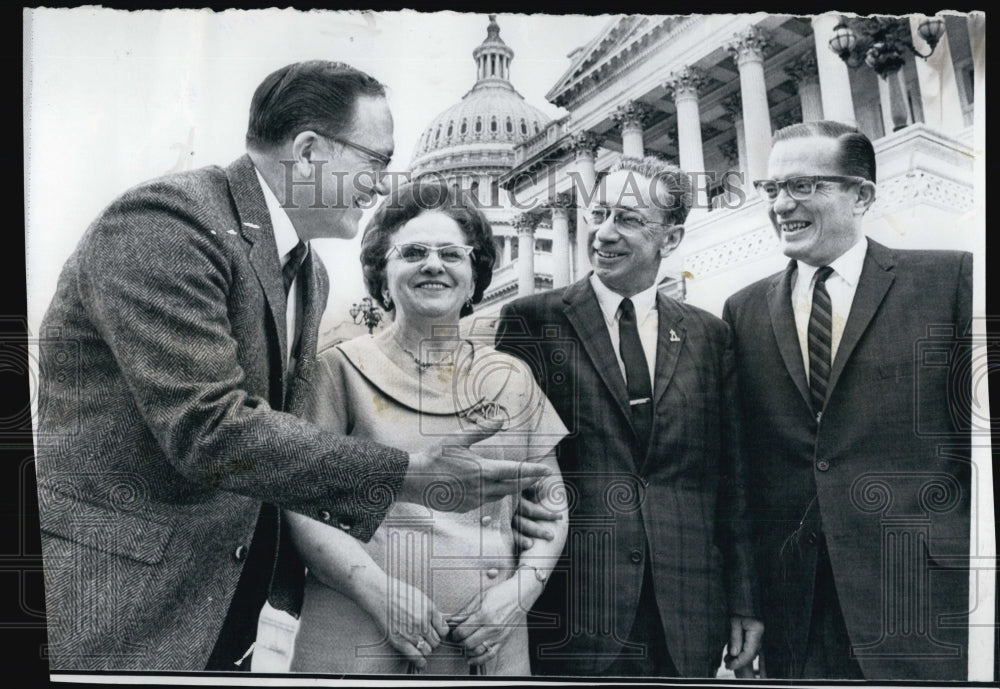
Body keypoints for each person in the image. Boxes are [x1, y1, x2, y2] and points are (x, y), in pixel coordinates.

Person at [33, 61, 549, 672]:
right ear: (308, 152)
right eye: (376, 161)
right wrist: (410, 473)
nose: (382, 185)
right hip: (120, 599)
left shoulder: (309, 271)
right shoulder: (168, 222)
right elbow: (210, 427)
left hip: (223, 606)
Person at [285, 180, 568, 675]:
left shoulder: (513, 377)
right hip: (359, 637)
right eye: (413, 252)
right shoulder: (337, 370)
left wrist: (519, 595)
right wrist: (381, 596)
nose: (433, 265)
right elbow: (301, 508)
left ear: (474, 279)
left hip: (488, 646)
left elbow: (551, 505)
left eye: (452, 254)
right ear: (382, 276)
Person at [722, 121, 972, 680]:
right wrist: (745, 598)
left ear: (861, 195)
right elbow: (739, 473)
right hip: (796, 612)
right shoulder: (742, 311)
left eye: (803, 185)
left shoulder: (950, 280)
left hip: (925, 598)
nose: (781, 205)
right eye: (772, 189)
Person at [494, 157, 762, 677]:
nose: (604, 232)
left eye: (629, 219)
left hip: (686, 616)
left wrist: (745, 600)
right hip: (572, 611)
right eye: (599, 213)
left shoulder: (710, 336)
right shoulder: (531, 322)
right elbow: (504, 463)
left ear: (671, 238)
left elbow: (732, 480)